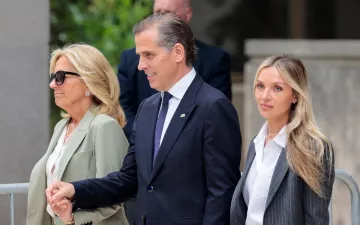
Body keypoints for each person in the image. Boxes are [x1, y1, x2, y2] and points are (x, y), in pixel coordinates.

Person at [46, 13, 242, 225]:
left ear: (177, 52)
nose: (140, 65)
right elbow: (129, 179)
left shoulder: (213, 107)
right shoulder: (147, 108)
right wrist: (75, 190)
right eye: (140, 56)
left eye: (149, 55)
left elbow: (222, 193)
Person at [26, 44, 129, 225]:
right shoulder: (61, 127)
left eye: (60, 77)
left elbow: (114, 193)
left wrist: (73, 219)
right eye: (53, 77)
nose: (52, 84)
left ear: (89, 81)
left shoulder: (104, 126)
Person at [230, 55, 335, 225]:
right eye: (260, 86)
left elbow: (316, 219)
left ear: (295, 95)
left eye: (277, 88)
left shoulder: (313, 147)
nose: (265, 96)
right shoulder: (256, 143)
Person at [119, 0, 232, 140]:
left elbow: (216, 118)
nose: (161, 19)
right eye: (157, 13)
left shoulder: (214, 60)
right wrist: (147, 143)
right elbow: (123, 109)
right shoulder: (131, 60)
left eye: (168, 13)